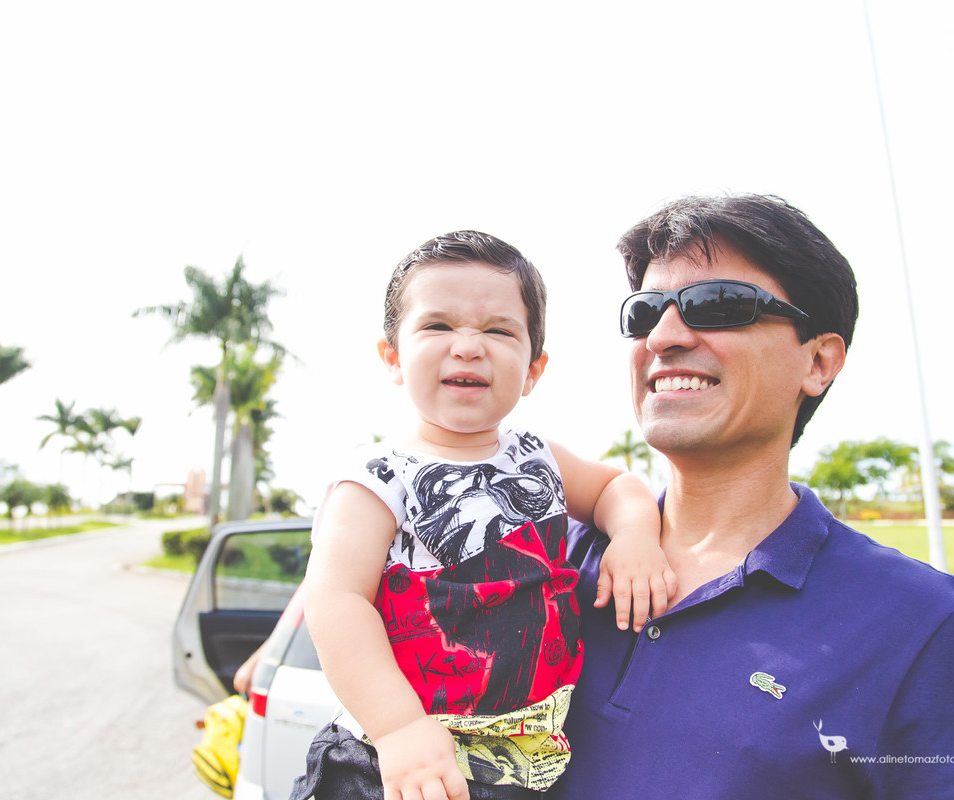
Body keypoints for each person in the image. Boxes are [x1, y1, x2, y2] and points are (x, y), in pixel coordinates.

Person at [545, 193, 954, 799]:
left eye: (716, 304)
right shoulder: (543, 559)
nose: (663, 336)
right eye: (644, 313)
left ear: (819, 361)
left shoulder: (915, 621)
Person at [288, 231, 675, 800]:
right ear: (392, 357)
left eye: (498, 331)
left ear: (534, 369)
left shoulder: (538, 457)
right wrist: (397, 727)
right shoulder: (376, 480)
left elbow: (617, 485)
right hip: (394, 763)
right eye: (437, 325)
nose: (468, 347)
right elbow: (335, 603)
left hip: (524, 765)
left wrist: (636, 534)